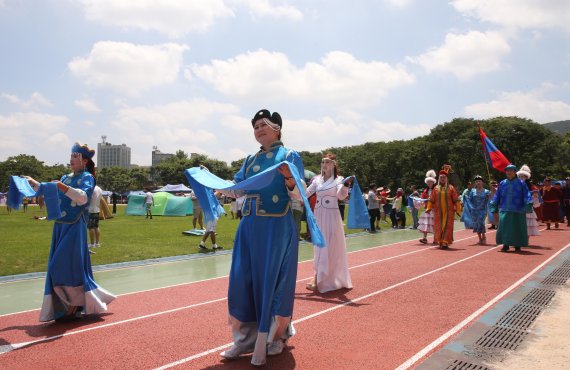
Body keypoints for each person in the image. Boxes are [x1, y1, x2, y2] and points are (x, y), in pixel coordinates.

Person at [220, 109, 305, 366]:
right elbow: (236, 190)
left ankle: (275, 336)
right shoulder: (249, 160)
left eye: (263, 125)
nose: (258, 129)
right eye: (255, 126)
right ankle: (244, 339)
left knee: (274, 281)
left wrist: (289, 178)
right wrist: (214, 185)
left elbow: (299, 194)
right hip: (249, 225)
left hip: (277, 226)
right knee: (242, 281)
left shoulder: (289, 156)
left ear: (277, 128)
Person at [23, 142, 115, 322]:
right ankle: (70, 304)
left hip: (74, 226)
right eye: (71, 156)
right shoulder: (65, 177)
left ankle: (75, 302)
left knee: (62, 265)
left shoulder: (87, 178)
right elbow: (50, 191)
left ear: (84, 161)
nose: (71, 159)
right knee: (59, 266)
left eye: (75, 157)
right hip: (60, 225)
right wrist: (34, 183)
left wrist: (62, 187)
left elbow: (82, 197)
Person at [305, 153, 353, 293]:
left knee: (331, 246)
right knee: (319, 246)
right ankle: (317, 277)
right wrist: (291, 188)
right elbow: (305, 194)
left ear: (333, 165)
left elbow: (340, 196)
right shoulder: (317, 180)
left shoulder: (339, 180)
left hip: (331, 215)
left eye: (327, 162)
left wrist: (345, 185)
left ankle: (324, 278)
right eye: (322, 162)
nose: (324, 164)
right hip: (318, 215)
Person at [490, 164, 532, 252]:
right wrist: (494, 205)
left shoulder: (521, 183)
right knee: (504, 227)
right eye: (507, 170)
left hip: (518, 209)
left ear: (515, 172)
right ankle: (505, 245)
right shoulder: (502, 183)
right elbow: (497, 195)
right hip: (505, 209)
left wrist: (528, 202)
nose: (509, 172)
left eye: (511, 170)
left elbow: (526, 194)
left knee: (518, 228)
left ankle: (518, 245)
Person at [425, 165, 460, 249]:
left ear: (446, 178)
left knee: (447, 226)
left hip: (449, 212)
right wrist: (428, 208)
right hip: (438, 212)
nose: (442, 179)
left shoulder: (451, 188)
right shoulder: (436, 188)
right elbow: (431, 199)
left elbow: (456, 199)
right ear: (439, 179)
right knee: (439, 226)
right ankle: (441, 241)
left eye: (444, 177)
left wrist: (458, 209)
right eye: (441, 177)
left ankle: (445, 242)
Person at [517, 165, 540, 239]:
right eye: (520, 176)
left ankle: (526, 239)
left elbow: (533, 195)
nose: (522, 177)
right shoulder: (516, 183)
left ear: (526, 176)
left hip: (527, 205)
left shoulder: (529, 184)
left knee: (528, 223)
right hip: (517, 205)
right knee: (518, 223)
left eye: (523, 176)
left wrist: (534, 194)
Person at [468, 176, 490, 245]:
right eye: (477, 181)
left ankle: (484, 236)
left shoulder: (486, 191)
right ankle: (480, 238)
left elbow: (491, 199)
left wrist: (488, 196)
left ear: (482, 182)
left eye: (479, 181)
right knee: (476, 225)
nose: (478, 182)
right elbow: (469, 200)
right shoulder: (472, 191)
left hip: (482, 210)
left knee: (481, 222)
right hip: (474, 210)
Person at [418, 170, 437, 244]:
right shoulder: (425, 191)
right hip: (427, 209)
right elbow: (422, 200)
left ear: (433, 182)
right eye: (428, 182)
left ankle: (436, 239)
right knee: (426, 224)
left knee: (434, 224)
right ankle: (424, 238)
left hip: (434, 209)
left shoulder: (436, 190)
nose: (429, 183)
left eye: (430, 182)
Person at [88, 184, 103, 253]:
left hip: (90, 210)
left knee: (91, 227)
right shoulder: (99, 189)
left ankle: (92, 244)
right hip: (96, 210)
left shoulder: (91, 189)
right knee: (96, 227)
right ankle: (97, 243)